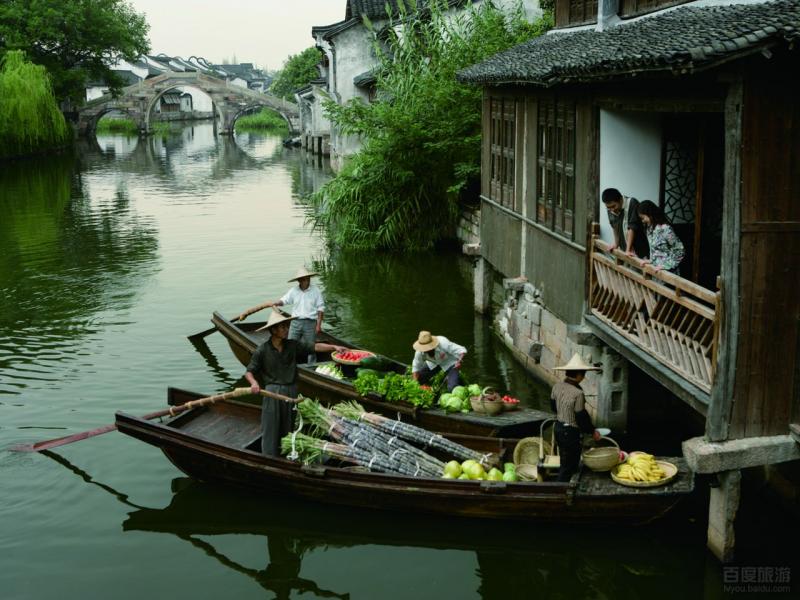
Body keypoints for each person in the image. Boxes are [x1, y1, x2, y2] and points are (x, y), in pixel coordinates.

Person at [244, 309, 346, 456]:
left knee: (288, 426)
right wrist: (254, 383)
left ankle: (286, 455)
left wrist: (333, 347)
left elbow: (313, 346)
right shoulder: (262, 350)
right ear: (273, 330)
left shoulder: (292, 345)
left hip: (291, 391)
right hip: (272, 392)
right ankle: (269, 457)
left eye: (286, 326)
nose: (287, 329)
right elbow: (249, 371)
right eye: (283, 327)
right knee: (271, 426)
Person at [239, 266, 325, 363]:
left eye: (308, 278)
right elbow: (284, 300)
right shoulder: (294, 291)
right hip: (295, 322)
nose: (307, 281)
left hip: (310, 322)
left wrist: (318, 325)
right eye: (304, 279)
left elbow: (320, 308)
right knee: (289, 344)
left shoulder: (315, 291)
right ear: (299, 280)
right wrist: (276, 303)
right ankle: (289, 363)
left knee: (311, 347)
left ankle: (311, 365)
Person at [550, 353, 602, 482]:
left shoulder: (556, 386)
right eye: (583, 374)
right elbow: (581, 416)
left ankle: (563, 487)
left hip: (558, 428)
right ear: (578, 375)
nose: (583, 377)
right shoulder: (578, 393)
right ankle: (559, 492)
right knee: (569, 467)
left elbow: (553, 406)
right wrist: (592, 431)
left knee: (564, 461)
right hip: (570, 432)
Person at [637, 200, 685, 274]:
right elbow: (656, 250)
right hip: (656, 271)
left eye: (643, 218)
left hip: (669, 273)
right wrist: (651, 260)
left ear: (650, 214)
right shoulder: (649, 229)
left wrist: (665, 266)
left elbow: (680, 251)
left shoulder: (665, 229)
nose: (643, 221)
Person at [601, 188, 649, 259]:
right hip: (624, 250)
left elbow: (632, 228)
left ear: (620, 200)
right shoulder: (610, 209)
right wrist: (616, 244)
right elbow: (614, 226)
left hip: (637, 250)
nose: (612, 210)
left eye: (614, 206)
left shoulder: (632, 203)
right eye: (608, 208)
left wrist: (628, 250)